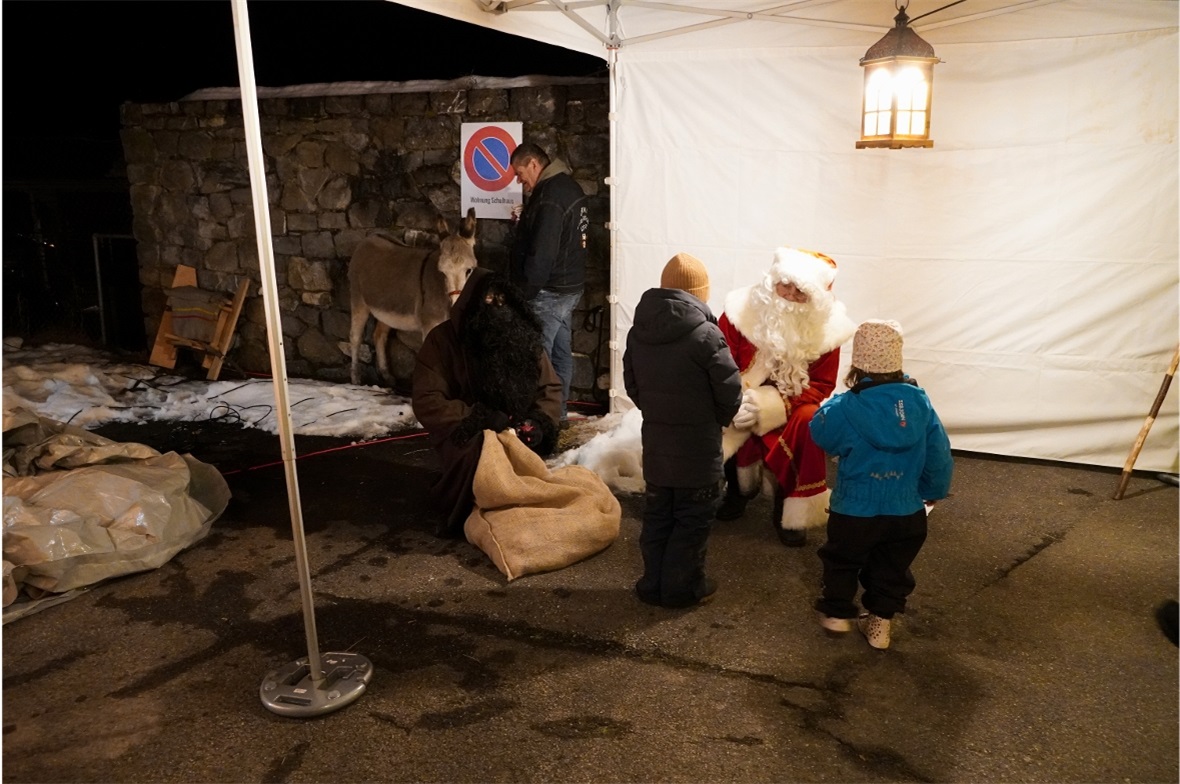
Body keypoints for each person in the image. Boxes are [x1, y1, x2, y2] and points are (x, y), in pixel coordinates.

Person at [808, 319, 954, 650]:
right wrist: (933, 491)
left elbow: (821, 433)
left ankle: (836, 612)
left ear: (857, 363)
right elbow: (939, 454)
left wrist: (833, 405)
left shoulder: (846, 406)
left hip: (855, 510)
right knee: (892, 568)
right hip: (906, 511)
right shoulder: (920, 403)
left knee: (842, 559)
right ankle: (879, 625)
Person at [623, 253, 743, 608]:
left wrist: (658, 411)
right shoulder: (707, 335)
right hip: (699, 448)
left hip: (657, 445)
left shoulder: (638, 332)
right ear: (699, 293)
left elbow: (633, 385)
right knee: (692, 521)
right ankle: (682, 588)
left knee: (658, 516)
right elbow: (730, 390)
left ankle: (651, 584)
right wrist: (718, 418)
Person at [716, 247, 857, 547]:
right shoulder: (738, 313)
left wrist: (769, 405)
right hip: (738, 393)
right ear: (772, 283)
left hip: (791, 404)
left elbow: (821, 384)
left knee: (808, 421)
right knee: (724, 415)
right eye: (785, 285)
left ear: (816, 299)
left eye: (801, 291)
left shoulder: (829, 331)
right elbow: (717, 361)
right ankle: (738, 492)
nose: (790, 295)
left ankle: (789, 507)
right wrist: (736, 398)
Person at [411, 268, 563, 538]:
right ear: (472, 301)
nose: (495, 305)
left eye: (502, 299)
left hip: (517, 428)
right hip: (467, 429)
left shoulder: (523, 338)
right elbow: (428, 400)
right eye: (488, 299)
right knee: (479, 453)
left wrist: (538, 423)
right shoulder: (443, 340)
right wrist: (478, 418)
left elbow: (548, 387)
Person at [508, 142, 590, 420]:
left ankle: (539, 420)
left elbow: (542, 254)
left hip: (550, 291)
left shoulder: (549, 197)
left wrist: (522, 295)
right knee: (559, 354)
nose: (519, 181)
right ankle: (558, 414)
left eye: (520, 173)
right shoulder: (568, 187)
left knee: (535, 359)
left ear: (533, 163)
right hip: (569, 288)